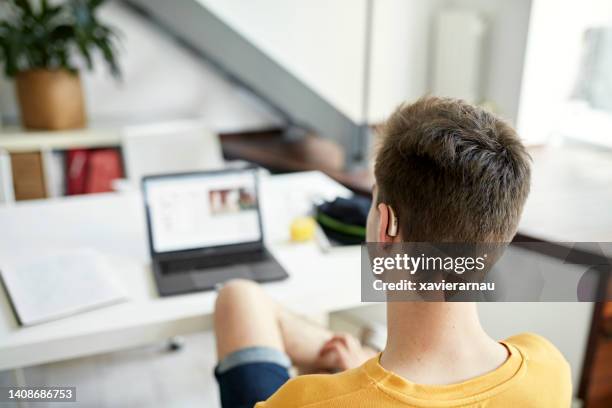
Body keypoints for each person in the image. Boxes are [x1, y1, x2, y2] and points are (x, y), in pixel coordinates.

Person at [213, 96, 572, 407]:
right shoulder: (549, 369)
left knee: (238, 297)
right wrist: (362, 374)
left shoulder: (303, 400)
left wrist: (354, 382)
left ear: (386, 227)